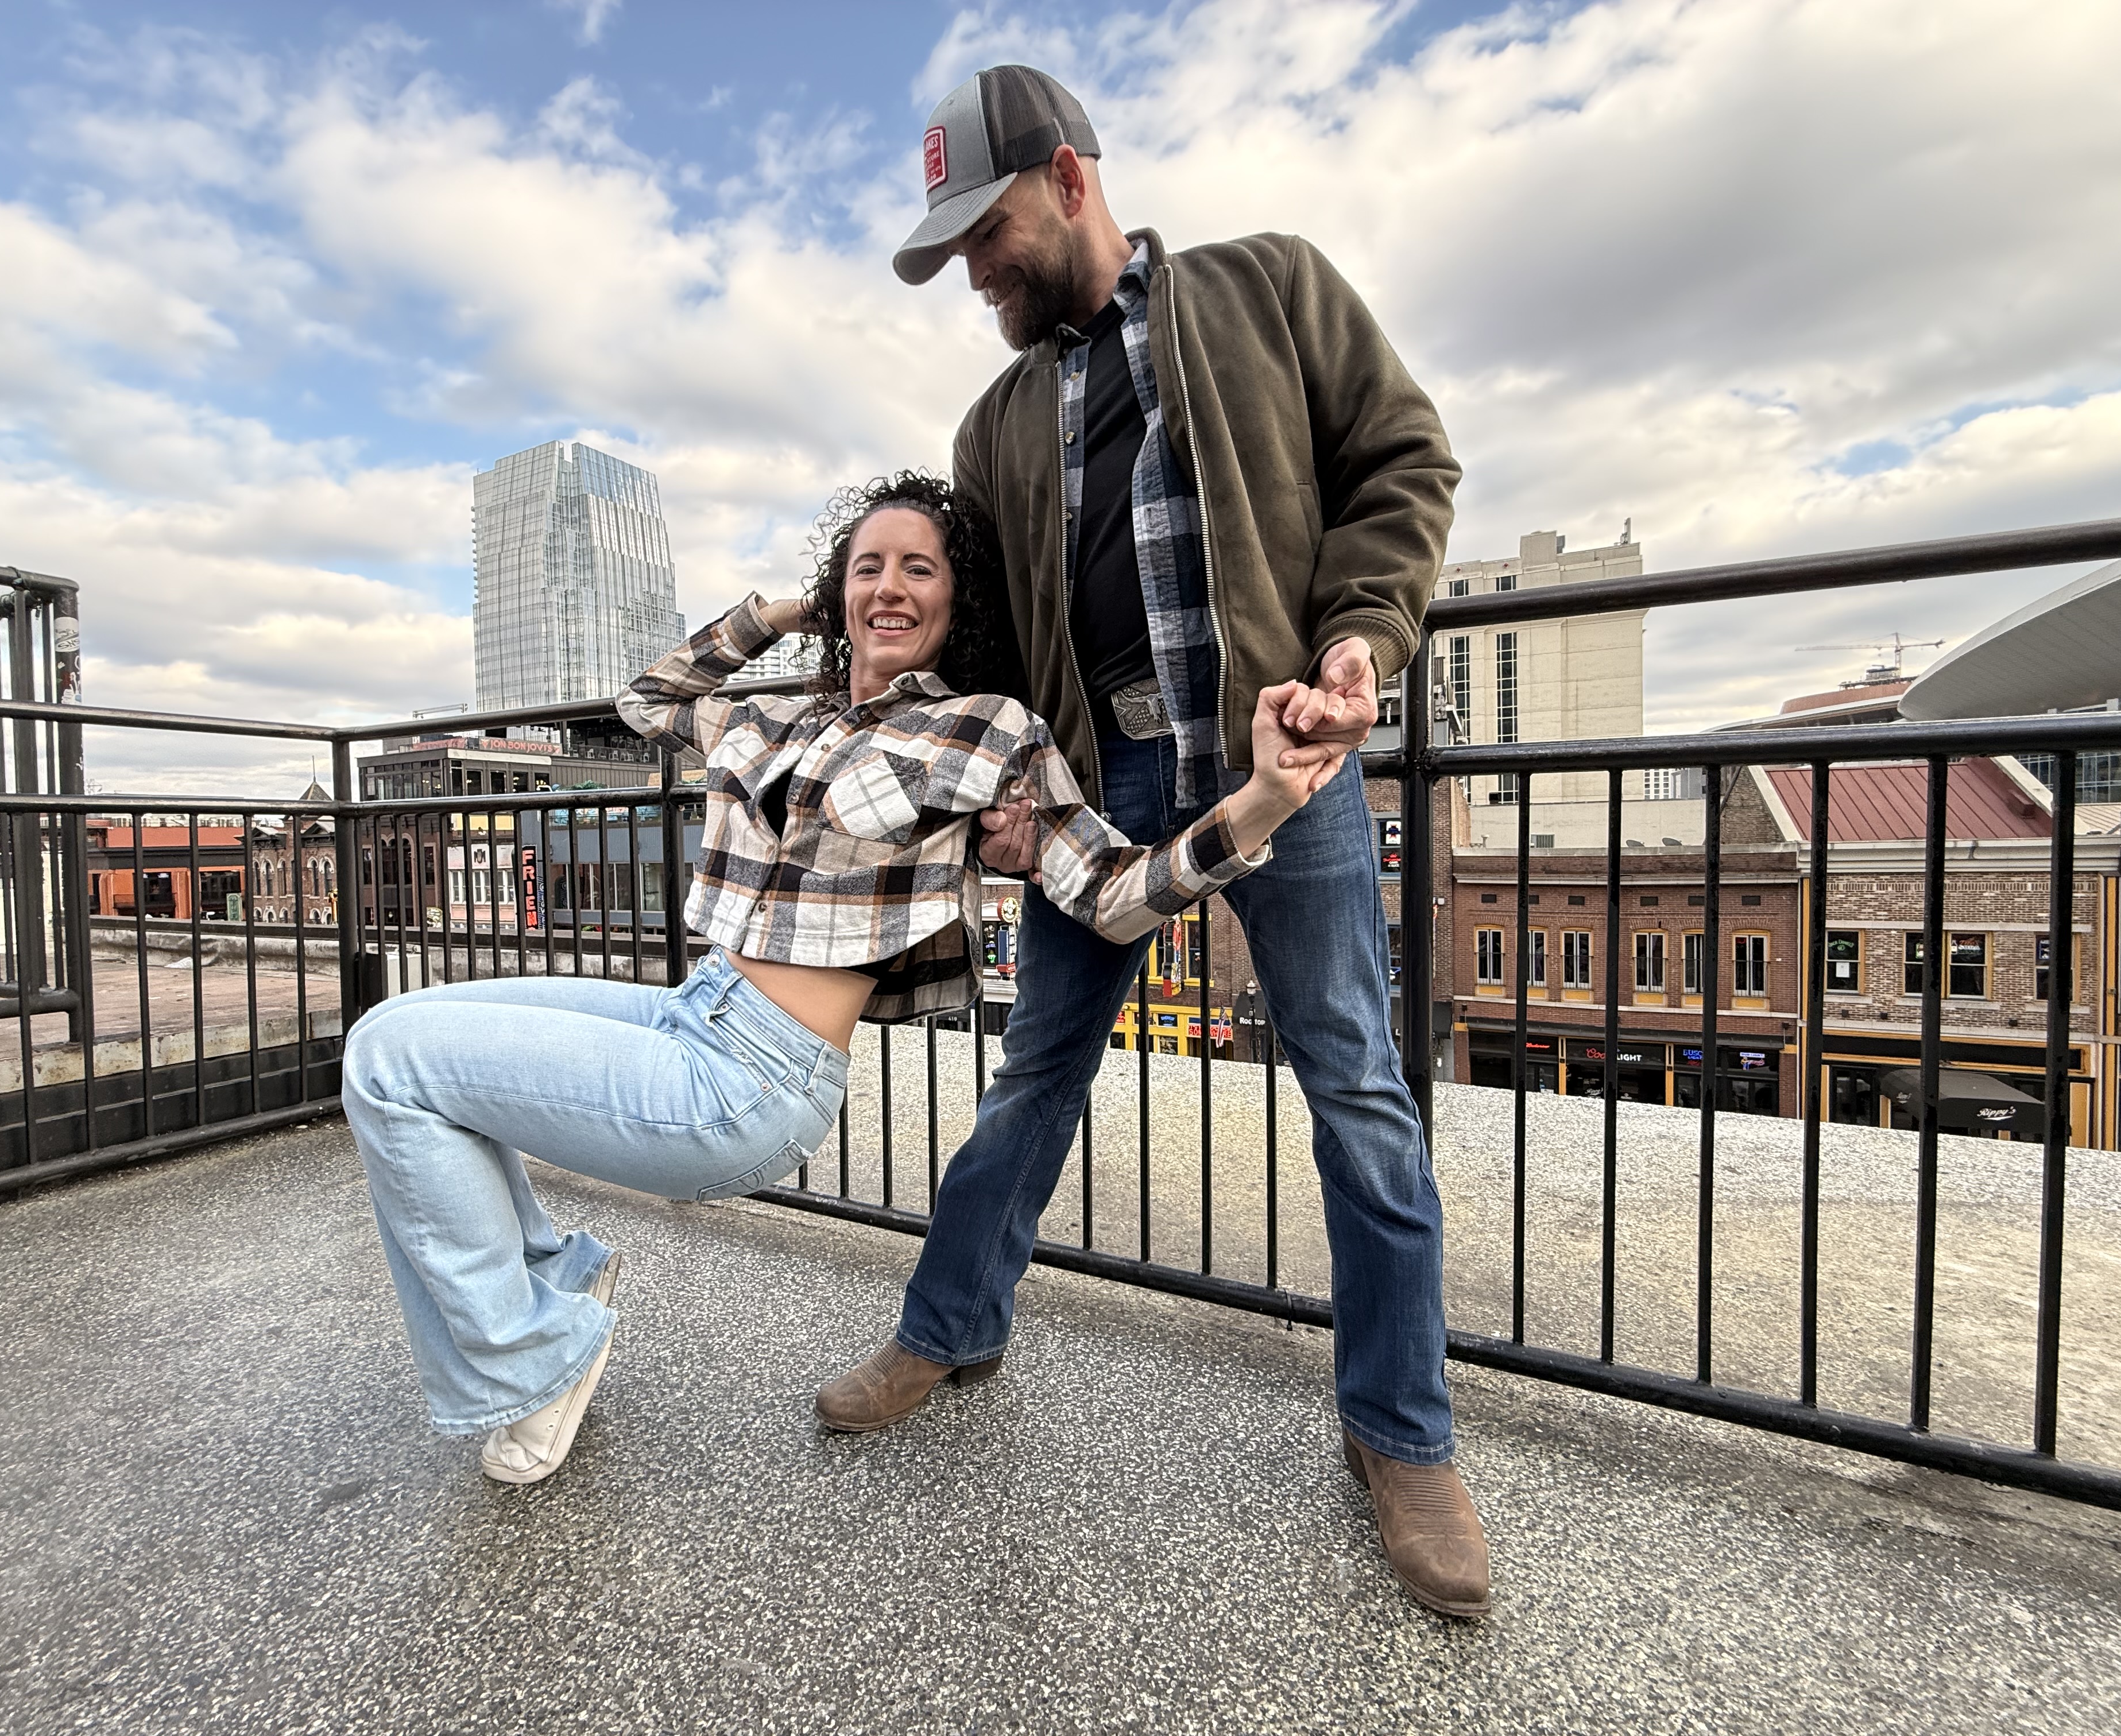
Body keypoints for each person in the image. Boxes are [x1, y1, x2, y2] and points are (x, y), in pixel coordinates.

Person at [814, 66, 1488, 1619]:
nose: (971, 271)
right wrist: (983, 781)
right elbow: (977, 633)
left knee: (1357, 1089)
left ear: (1066, 178)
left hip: (1278, 753)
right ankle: (950, 1325)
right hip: (1094, 770)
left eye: (981, 234)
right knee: (1036, 1068)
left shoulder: (1270, 289)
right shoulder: (994, 420)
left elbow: (1406, 468)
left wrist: (1359, 642)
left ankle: (1401, 1431)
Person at [340, 473, 1342, 1488]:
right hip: (694, 1010)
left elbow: (1113, 895)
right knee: (406, 1025)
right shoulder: (777, 721)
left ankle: (533, 1356)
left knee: (389, 1064)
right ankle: (559, 1292)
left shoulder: (986, 731)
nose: (892, 588)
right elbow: (645, 701)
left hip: (753, 1080)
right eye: (869, 568)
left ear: (960, 601)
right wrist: (785, 611)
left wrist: (1258, 806)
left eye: (921, 569)